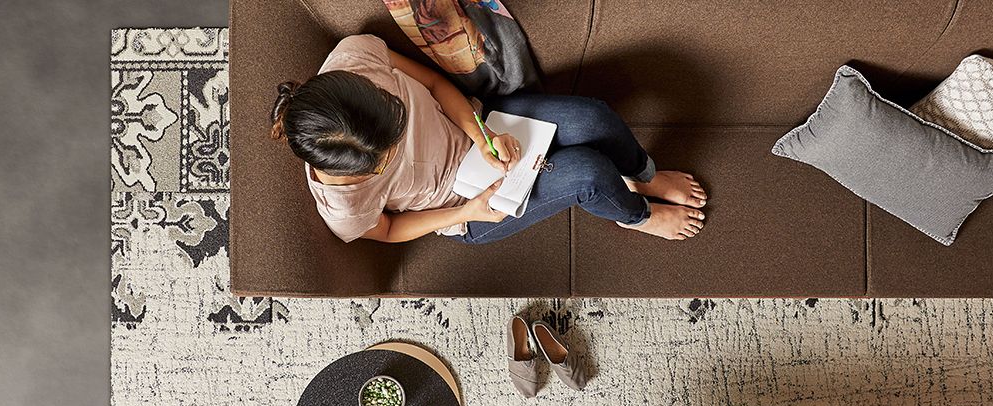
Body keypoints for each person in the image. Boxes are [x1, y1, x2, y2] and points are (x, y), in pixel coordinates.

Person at [270, 35, 707, 245]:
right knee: (587, 172)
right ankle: (637, 214)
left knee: (594, 116)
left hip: (481, 131)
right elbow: (387, 230)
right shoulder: (343, 208)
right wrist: (467, 211)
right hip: (464, 205)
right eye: (389, 157)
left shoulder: (356, 56)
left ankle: (641, 176)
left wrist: (483, 135)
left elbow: (439, 89)